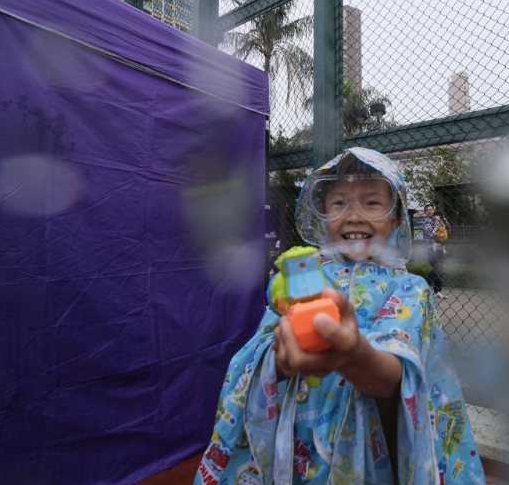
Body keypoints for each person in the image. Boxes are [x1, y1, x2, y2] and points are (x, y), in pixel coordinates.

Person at [195, 147, 484, 484]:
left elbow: (395, 375)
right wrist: (280, 360)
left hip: (373, 453)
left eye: (372, 202)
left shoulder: (409, 289)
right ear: (321, 215)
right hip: (300, 447)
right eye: (339, 203)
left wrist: (351, 353)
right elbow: (259, 353)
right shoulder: (301, 279)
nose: (354, 215)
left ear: (396, 217)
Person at [423, 204, 450, 299]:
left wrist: (445, 222)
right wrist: (440, 234)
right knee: (437, 269)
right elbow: (431, 235)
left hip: (440, 250)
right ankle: (423, 286)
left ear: (434, 210)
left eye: (431, 209)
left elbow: (448, 230)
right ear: (425, 213)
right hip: (431, 250)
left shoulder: (439, 220)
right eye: (427, 210)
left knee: (440, 270)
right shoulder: (427, 222)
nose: (429, 211)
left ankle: (437, 291)